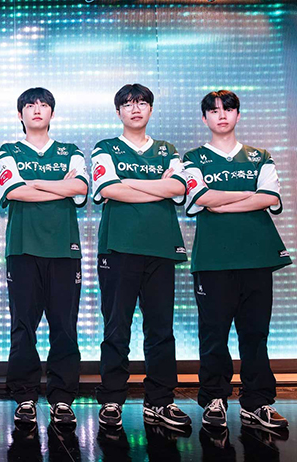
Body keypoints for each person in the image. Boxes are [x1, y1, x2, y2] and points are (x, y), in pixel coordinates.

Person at [182, 90, 291, 429]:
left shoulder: (260, 156)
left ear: (238, 115)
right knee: (213, 334)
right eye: (214, 110)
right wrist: (248, 195)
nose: (222, 115)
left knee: (255, 333)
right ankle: (214, 398)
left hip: (256, 258)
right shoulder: (194, 158)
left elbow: (270, 196)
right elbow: (200, 196)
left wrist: (223, 202)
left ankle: (257, 403)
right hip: (213, 260)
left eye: (228, 109)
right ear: (204, 118)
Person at [91, 83, 191, 428]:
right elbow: (107, 188)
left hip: (161, 248)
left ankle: (160, 401)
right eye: (128, 104)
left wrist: (129, 183)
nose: (135, 109)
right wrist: (157, 188)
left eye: (142, 103)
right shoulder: (105, 148)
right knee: (116, 328)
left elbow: (179, 187)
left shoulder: (167, 150)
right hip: (119, 248)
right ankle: (112, 399)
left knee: (161, 328)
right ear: (118, 111)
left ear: (150, 109)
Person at [0, 87, 88, 425]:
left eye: (44, 105)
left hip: (64, 249)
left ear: (52, 113)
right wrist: (57, 186)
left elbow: (80, 188)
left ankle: (62, 398)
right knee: (23, 327)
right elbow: (12, 191)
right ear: (19, 114)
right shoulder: (9, 151)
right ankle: (25, 396)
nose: (37, 109)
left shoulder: (70, 151)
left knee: (65, 326)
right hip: (23, 249)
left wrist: (33, 183)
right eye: (30, 105)